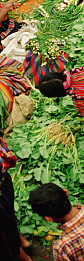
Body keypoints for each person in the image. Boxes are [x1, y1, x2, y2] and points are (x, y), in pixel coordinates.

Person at [1, 88, 32, 261]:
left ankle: (20, 251)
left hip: (2, 184)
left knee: (4, 228)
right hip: (3, 181)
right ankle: (22, 243)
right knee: (7, 217)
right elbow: (9, 158)